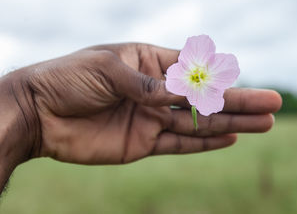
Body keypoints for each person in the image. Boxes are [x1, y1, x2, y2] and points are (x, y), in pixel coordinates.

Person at [0, 43, 282, 195]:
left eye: (199, 76)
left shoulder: (206, 85)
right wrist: (28, 103)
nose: (197, 76)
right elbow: (171, 81)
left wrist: (28, 108)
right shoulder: (178, 76)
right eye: (196, 75)